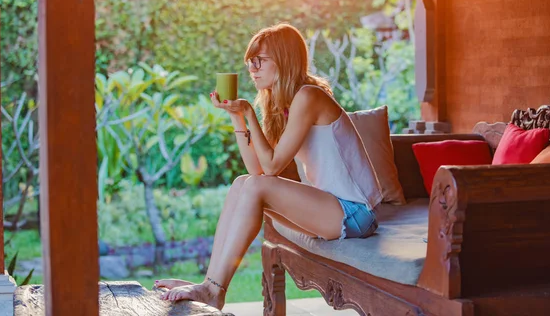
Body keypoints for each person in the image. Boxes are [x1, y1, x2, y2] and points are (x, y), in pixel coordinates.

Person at [154, 23, 383, 309]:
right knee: (241, 183)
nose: (253, 68)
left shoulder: (308, 96)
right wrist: (236, 117)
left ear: (284, 59)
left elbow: (271, 168)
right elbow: (256, 171)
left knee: (255, 186)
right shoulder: (283, 102)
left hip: (356, 213)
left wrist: (249, 112)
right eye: (250, 62)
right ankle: (209, 284)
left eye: (259, 61)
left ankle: (214, 290)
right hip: (330, 209)